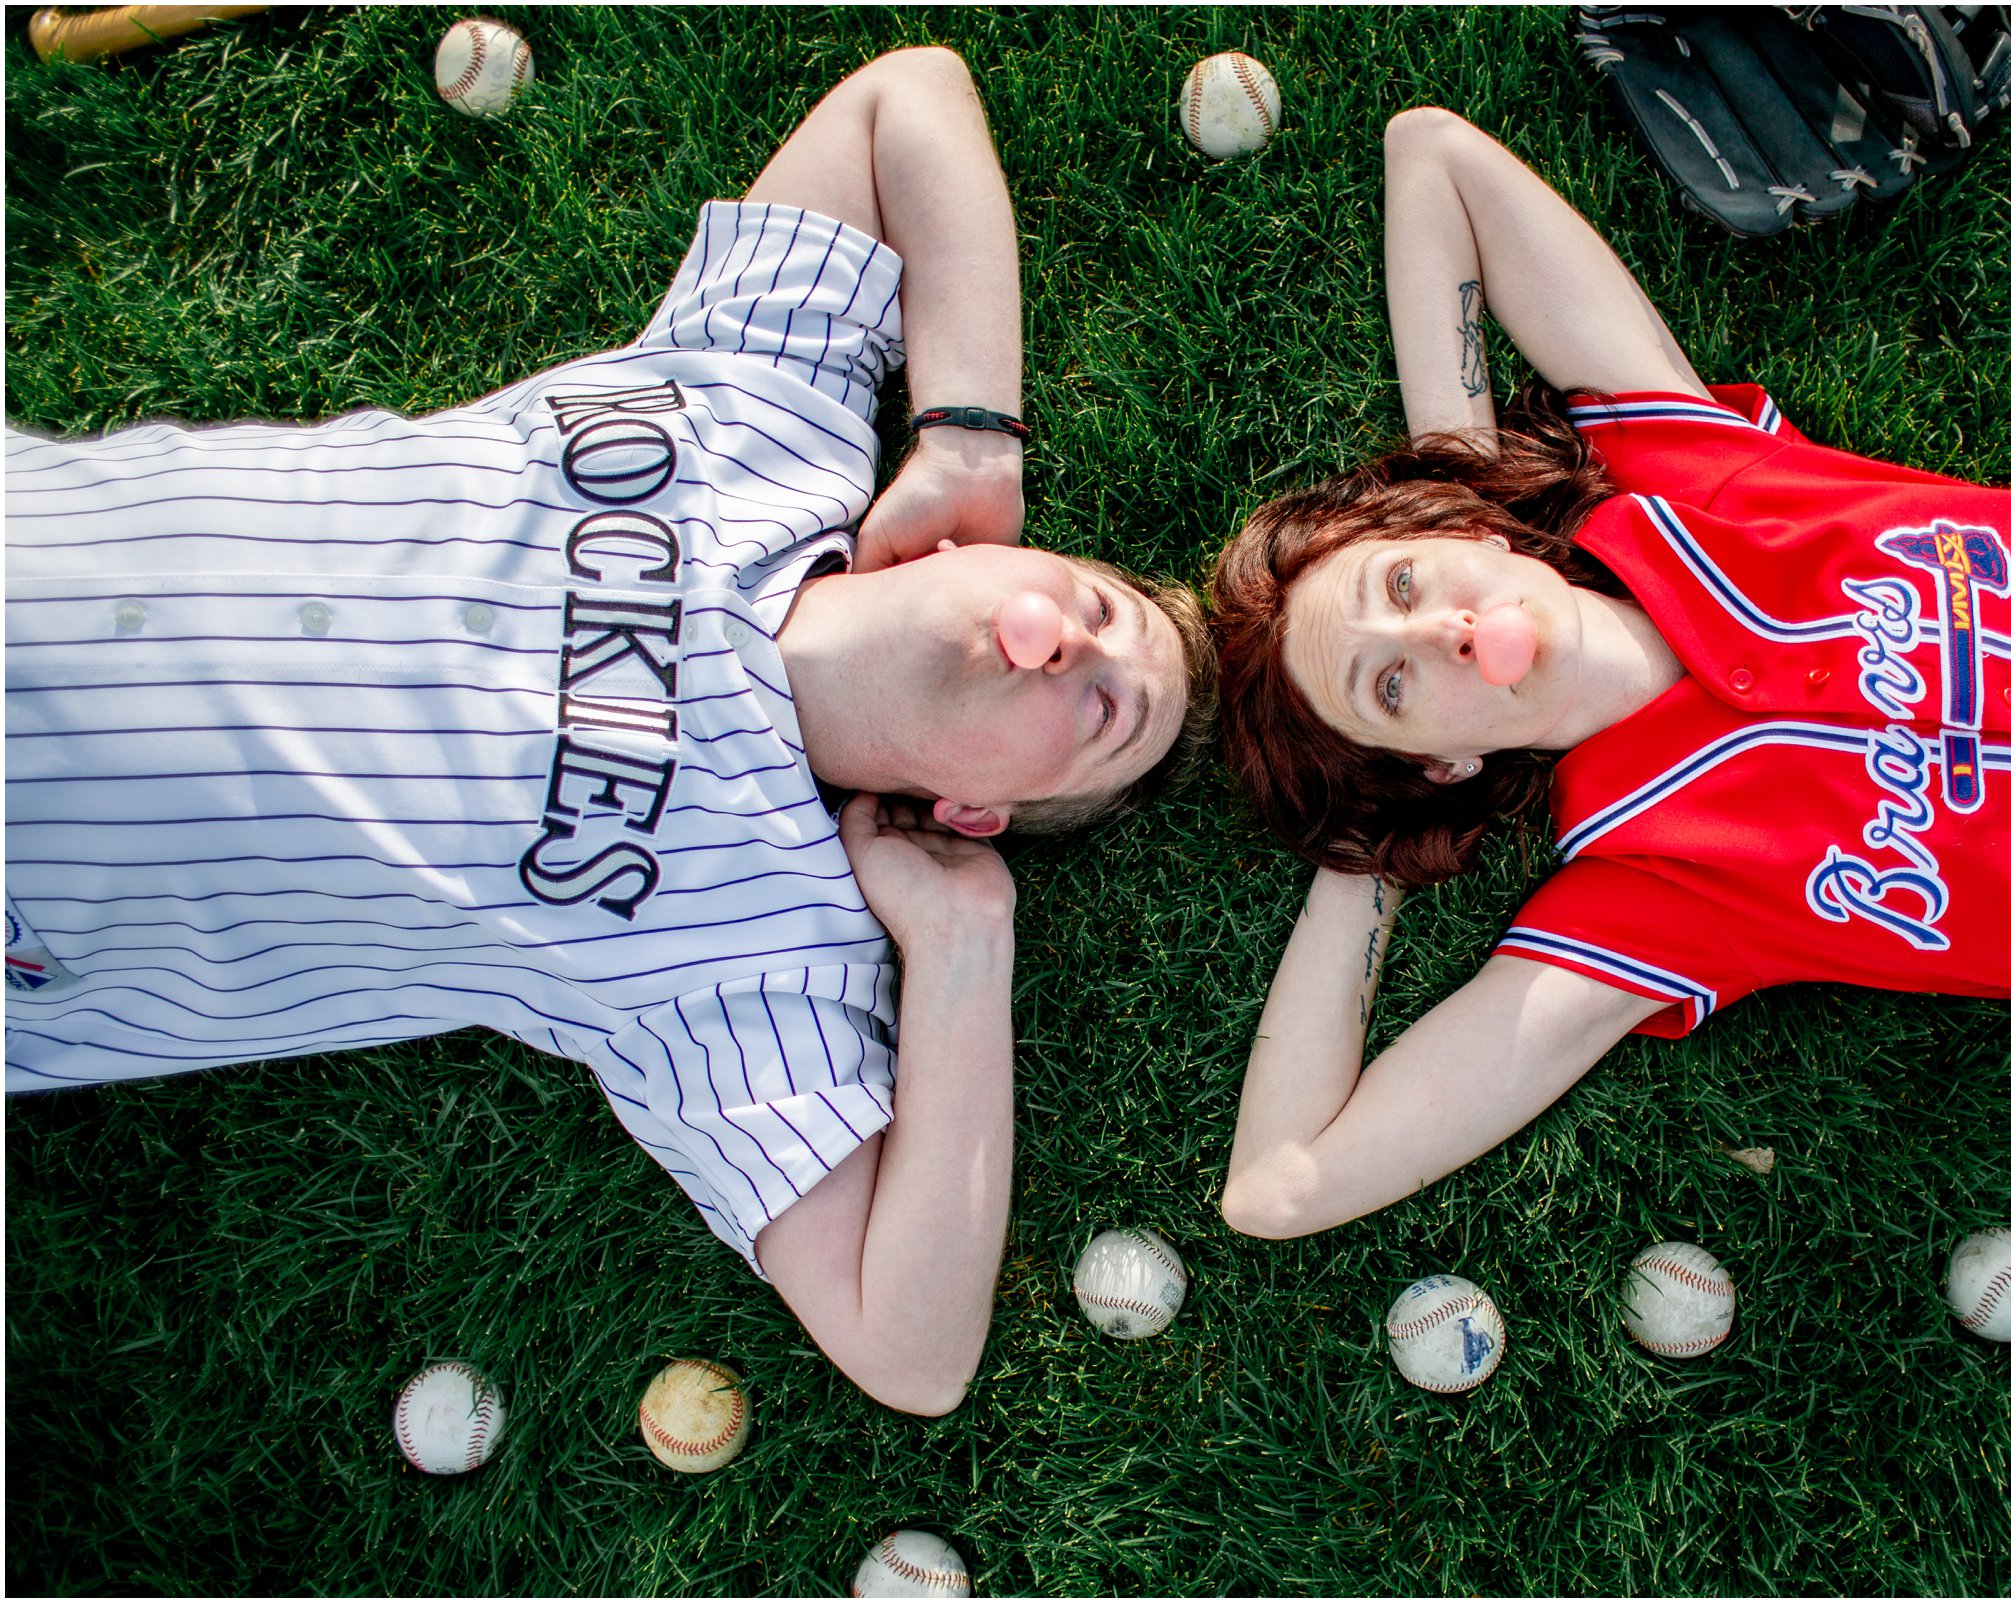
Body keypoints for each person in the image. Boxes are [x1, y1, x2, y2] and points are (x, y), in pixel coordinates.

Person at [4, 48, 1212, 1415]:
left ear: (975, 808)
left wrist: (958, 944)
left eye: (1105, 709)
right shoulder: (766, 407)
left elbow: (913, 1347)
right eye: (1103, 606)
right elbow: (907, 100)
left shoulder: (756, 955)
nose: (1086, 642)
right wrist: (971, 437)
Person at [1209, 107, 2011, 1241]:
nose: (1439, 634)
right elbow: (1278, 1183)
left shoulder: (1683, 477)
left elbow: (1431, 157)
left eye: (1403, 589)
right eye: (1390, 688)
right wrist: (1369, 848)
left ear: (1463, 537)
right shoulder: (1644, 890)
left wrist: (1461, 483)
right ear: (1439, 763)